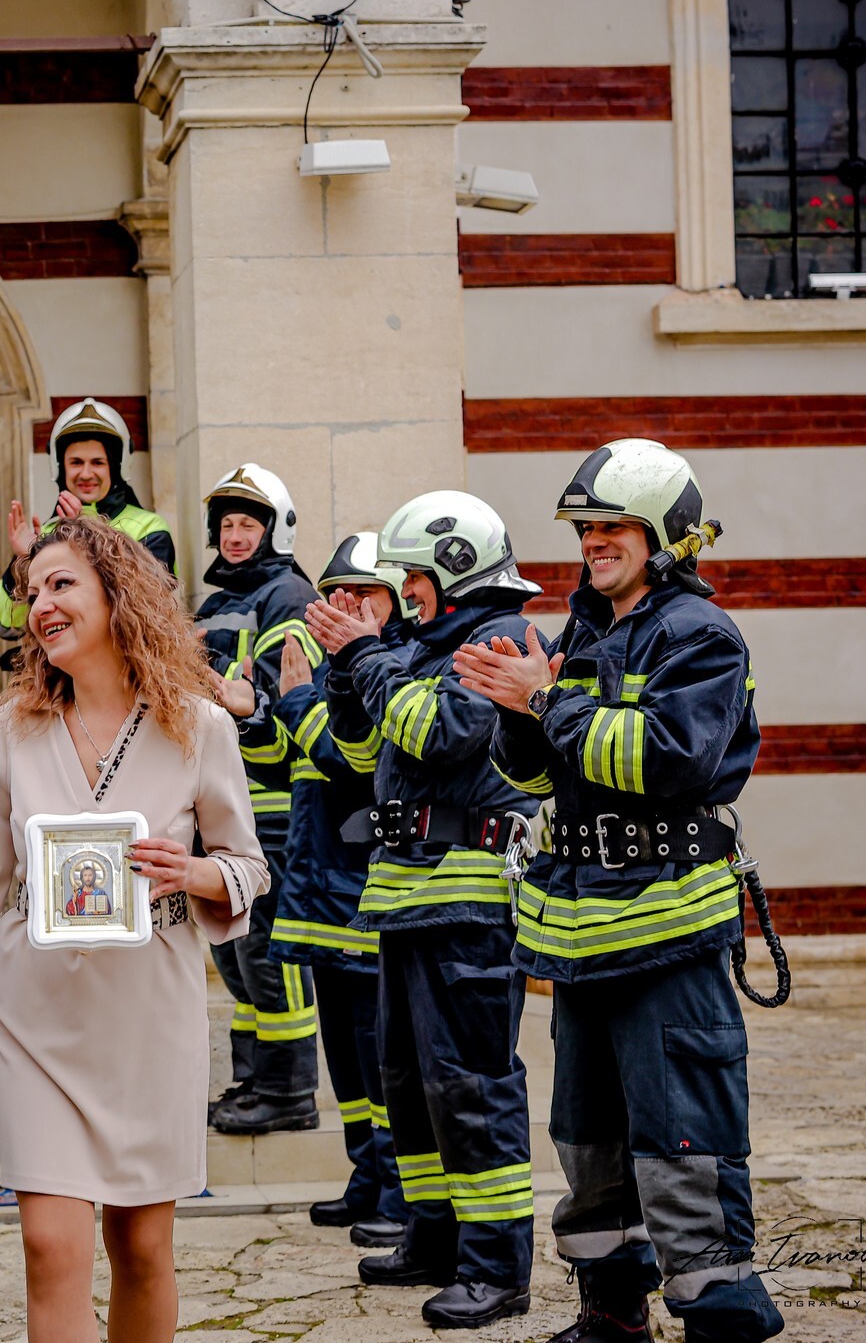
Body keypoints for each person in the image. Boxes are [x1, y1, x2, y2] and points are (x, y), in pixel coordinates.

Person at [454, 440, 784, 1343]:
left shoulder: (701, 635)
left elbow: (668, 760)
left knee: (685, 1138)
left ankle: (721, 1314)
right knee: (588, 1139)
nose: (594, 542)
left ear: (665, 534)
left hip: (666, 933)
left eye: (614, 527)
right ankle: (611, 1310)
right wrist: (519, 715)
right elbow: (539, 776)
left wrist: (547, 702)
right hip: (582, 936)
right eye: (585, 528)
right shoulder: (583, 634)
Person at [0, 514, 269, 1343]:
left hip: (151, 1014)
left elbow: (248, 865)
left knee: (141, 1247)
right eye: (33, 590)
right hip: (37, 1013)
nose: (40, 604)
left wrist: (196, 873)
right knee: (50, 1243)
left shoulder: (200, 725)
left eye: (61, 583)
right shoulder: (18, 726)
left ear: (118, 593)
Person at [305, 490, 542, 1330]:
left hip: (467, 904)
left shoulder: (498, 641)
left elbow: (441, 732)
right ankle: (434, 1238)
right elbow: (363, 750)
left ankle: (496, 1267)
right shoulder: (419, 647)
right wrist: (346, 668)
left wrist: (367, 654)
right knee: (410, 1085)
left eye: (413, 577)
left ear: (454, 568)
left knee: (470, 1086)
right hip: (407, 901)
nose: (405, 592)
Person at [258, 533, 415, 1247]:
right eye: (335, 593)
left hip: (364, 891)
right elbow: (288, 759)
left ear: (398, 600)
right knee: (346, 1058)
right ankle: (366, 1176)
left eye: (365, 593)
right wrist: (253, 709)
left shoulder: (397, 665)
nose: (346, 604)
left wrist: (297, 703)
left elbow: (358, 761)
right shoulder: (329, 667)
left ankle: (401, 1190)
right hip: (322, 888)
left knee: (381, 1058)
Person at [195, 464, 323, 1137]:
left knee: (271, 956)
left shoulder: (288, 595)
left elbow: (276, 695)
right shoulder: (216, 602)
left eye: (248, 523)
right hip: (221, 804)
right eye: (227, 524)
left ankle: (289, 1090)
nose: (235, 535)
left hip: (271, 805)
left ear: (276, 531)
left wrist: (217, 680)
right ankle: (253, 1080)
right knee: (237, 955)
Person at [0, 398, 176, 653]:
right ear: (61, 467)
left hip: (127, 668)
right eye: (76, 462)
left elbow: (147, 606)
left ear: (116, 467)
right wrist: (23, 562)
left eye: (97, 462)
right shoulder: (46, 535)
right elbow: (5, 624)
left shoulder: (149, 527)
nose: (86, 474)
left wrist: (88, 534)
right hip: (61, 673)